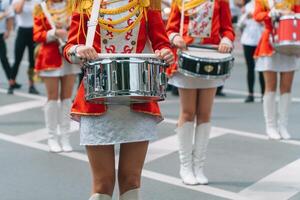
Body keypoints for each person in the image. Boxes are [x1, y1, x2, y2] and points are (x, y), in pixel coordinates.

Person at [63, 0, 174, 199]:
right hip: (97, 99)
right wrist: (78, 50)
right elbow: (69, 48)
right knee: (102, 183)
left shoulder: (146, 4)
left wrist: (166, 52)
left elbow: (162, 43)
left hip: (138, 98)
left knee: (131, 180)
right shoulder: (87, 3)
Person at [166, 0, 235, 185]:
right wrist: (174, 38)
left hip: (210, 59)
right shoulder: (180, 1)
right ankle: (185, 166)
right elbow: (170, 28)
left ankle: (199, 167)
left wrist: (226, 40)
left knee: (205, 114)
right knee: (188, 112)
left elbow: (227, 28)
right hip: (187, 58)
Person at [33, 0, 81, 152]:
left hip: (69, 56)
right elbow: (36, 35)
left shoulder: (73, 5)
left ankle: (65, 137)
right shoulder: (41, 8)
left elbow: (80, 28)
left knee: (67, 99)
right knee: (52, 98)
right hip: (50, 57)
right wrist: (53, 33)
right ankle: (52, 137)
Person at [254, 0, 300, 140]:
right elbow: (256, 15)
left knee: (286, 87)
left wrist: (292, 13)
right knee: (270, 87)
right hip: (270, 43)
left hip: (289, 42)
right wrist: (270, 13)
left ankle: (283, 125)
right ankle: (270, 126)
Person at [8, 0, 40, 94]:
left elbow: (40, 14)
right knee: (17, 59)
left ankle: (31, 85)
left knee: (32, 61)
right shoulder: (17, 1)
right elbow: (18, 11)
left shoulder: (37, 1)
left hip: (33, 31)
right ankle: (12, 82)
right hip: (21, 31)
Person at [238, 0, 265, 102]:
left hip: (260, 40)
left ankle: (263, 94)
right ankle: (250, 93)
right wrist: (245, 16)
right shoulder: (248, 5)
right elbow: (240, 24)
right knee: (250, 67)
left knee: (262, 68)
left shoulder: (264, 4)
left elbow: (266, 21)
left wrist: (255, 16)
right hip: (248, 40)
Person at [0, 0, 14, 92]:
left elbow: (9, 16)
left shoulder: (4, 2)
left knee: (4, 58)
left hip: (1, 34)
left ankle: (11, 80)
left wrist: (8, 30)